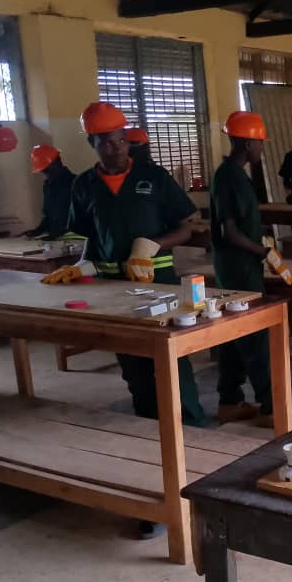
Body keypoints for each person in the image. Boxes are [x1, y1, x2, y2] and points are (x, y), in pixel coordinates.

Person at [69, 101, 206, 442]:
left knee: (171, 354)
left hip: (157, 281)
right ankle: (148, 423)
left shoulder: (153, 178)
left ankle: (191, 425)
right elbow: (88, 236)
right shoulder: (84, 185)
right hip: (112, 284)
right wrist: (81, 265)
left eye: (121, 140)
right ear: (92, 144)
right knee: (132, 357)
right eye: (106, 142)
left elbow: (187, 228)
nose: (116, 148)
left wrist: (152, 245)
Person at [209, 111, 278, 426]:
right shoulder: (230, 177)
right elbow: (230, 233)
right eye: (260, 143)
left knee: (234, 332)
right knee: (254, 335)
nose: (261, 148)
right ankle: (271, 407)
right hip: (239, 267)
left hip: (240, 263)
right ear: (248, 143)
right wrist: (263, 251)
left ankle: (230, 400)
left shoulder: (234, 175)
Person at [25, 145, 75, 239]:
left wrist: (61, 234)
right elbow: (48, 217)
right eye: (43, 171)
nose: (47, 174)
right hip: (55, 240)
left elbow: (84, 218)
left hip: (75, 241)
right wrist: (38, 230)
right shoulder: (48, 188)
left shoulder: (77, 184)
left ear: (58, 162)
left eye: (47, 170)